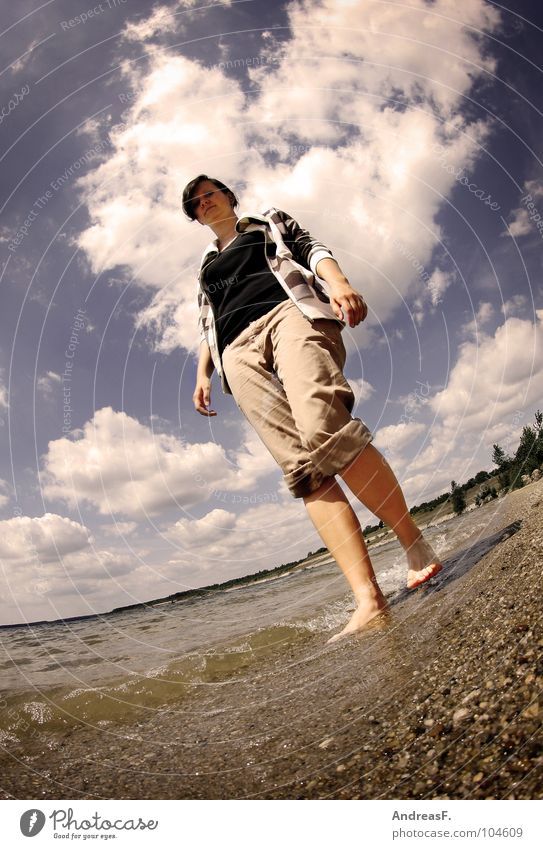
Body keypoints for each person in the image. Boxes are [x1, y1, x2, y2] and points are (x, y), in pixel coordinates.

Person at [185, 174, 442, 643]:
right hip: (236, 354)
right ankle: (368, 598)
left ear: (227, 196)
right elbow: (208, 323)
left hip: (288, 315)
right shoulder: (204, 269)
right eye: (195, 202)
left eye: (210, 193)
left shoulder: (265, 222)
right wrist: (204, 373)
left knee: (324, 427)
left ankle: (413, 542)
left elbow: (311, 249)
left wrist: (339, 283)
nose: (204, 203)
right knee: (301, 468)